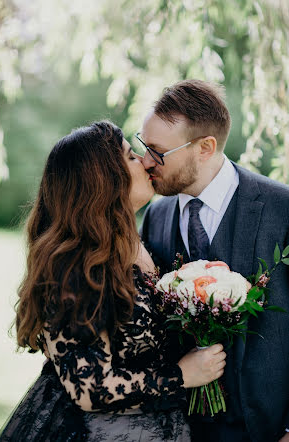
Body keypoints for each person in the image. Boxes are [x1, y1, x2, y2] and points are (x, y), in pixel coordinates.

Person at [0, 120, 226, 442]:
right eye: (132, 157)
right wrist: (182, 375)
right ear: (103, 181)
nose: (147, 161)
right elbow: (90, 389)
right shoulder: (74, 266)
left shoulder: (137, 241)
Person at [138, 80, 289, 442]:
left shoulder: (282, 210)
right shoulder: (155, 217)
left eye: (158, 153)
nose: (145, 162)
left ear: (205, 148)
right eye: (144, 147)